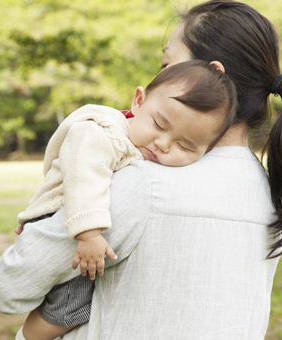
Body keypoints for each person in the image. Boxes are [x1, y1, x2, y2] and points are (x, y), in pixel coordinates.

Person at [0, 1, 282, 339]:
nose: (159, 75)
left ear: (214, 73)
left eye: (166, 63)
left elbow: (10, 288)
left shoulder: (143, 184)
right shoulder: (271, 191)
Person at [12, 59, 237, 340]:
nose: (163, 144)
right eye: (159, 124)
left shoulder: (141, 150)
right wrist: (89, 234)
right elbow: (84, 176)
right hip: (72, 222)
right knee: (68, 308)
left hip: (69, 219)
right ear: (138, 100)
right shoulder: (104, 133)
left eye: (185, 145)